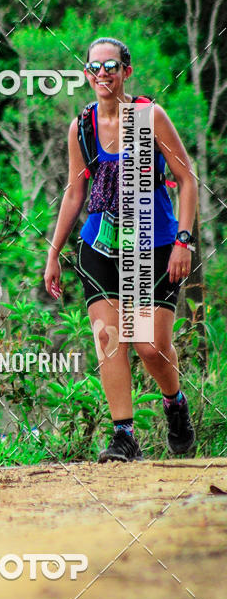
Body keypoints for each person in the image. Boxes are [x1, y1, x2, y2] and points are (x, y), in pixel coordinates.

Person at [44, 36, 197, 462]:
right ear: (86, 74)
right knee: (108, 338)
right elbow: (75, 192)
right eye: (95, 67)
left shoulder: (148, 117)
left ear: (126, 71)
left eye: (111, 66)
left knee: (149, 346)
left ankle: (175, 403)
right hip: (100, 243)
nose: (103, 74)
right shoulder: (82, 126)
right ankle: (123, 435)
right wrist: (54, 252)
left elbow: (187, 181)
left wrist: (184, 241)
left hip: (154, 242)